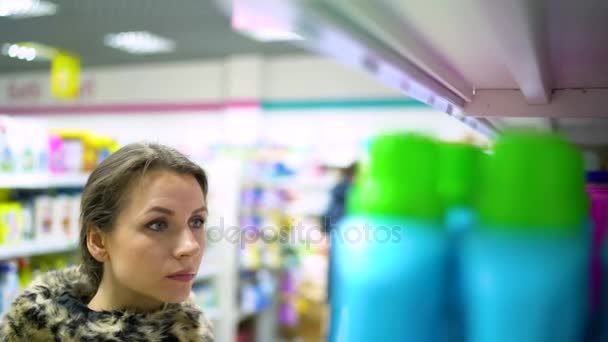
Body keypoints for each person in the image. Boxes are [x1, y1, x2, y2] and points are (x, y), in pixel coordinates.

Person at [0, 143, 214, 341]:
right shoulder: (37, 334)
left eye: (197, 221)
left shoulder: (195, 331)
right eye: (157, 224)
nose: (190, 246)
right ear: (98, 241)